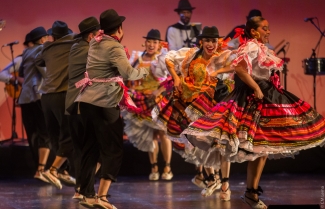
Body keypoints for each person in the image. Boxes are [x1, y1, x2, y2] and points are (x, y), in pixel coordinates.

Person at [181, 16, 325, 208]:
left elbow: (236, 66)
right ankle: (245, 191)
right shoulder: (251, 46)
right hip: (256, 96)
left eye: (268, 27)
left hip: (267, 95)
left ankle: (251, 192)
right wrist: (256, 88)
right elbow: (240, 69)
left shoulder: (260, 47)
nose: (269, 31)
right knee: (258, 147)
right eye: (265, 28)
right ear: (255, 31)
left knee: (262, 148)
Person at [75, 9, 149, 209]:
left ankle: (87, 195)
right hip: (105, 102)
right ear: (119, 29)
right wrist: (146, 69)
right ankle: (102, 197)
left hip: (87, 100)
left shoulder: (94, 42)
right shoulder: (114, 46)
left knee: (90, 148)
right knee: (113, 149)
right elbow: (129, 73)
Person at [152, 26, 234, 197]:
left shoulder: (221, 56)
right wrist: (175, 77)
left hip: (214, 102)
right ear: (201, 41)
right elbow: (169, 58)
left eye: (214, 40)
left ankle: (221, 182)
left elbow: (235, 66)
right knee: (200, 141)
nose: (211, 44)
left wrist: (218, 71)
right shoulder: (191, 54)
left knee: (218, 142)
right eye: (207, 40)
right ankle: (210, 177)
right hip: (193, 102)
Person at [122, 29, 173, 181]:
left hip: (158, 101)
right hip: (141, 101)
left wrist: (159, 91)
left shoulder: (163, 59)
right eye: (149, 42)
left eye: (155, 42)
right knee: (150, 135)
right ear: (145, 43)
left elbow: (172, 80)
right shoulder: (137, 58)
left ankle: (168, 166)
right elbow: (128, 77)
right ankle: (154, 167)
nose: (151, 45)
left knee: (163, 133)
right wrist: (130, 90)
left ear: (159, 44)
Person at [35, 20, 77, 189]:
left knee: (55, 136)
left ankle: (62, 170)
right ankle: (53, 170)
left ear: (53, 35)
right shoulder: (73, 43)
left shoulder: (47, 47)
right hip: (63, 95)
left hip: (46, 97)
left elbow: (38, 62)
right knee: (70, 134)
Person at [65, 16, 101, 200]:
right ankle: (87, 191)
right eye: (98, 35)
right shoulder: (89, 51)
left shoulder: (75, 47)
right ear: (90, 36)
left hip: (73, 105)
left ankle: (80, 190)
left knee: (81, 151)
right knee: (91, 150)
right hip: (81, 106)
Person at [17, 27, 51, 183]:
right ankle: (41, 170)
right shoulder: (42, 50)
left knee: (32, 134)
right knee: (44, 132)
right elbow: (44, 71)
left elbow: (22, 74)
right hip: (38, 95)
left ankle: (38, 168)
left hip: (25, 97)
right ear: (43, 39)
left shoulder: (26, 52)